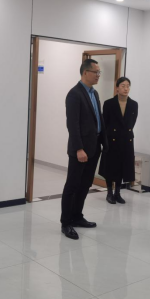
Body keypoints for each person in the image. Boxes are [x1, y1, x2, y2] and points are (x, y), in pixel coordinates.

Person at [61, 59, 108, 240]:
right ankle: (66, 223)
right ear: (85, 72)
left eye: (99, 72)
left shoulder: (94, 93)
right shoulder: (74, 94)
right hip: (80, 150)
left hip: (94, 147)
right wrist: (79, 149)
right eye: (96, 72)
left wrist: (104, 143)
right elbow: (72, 125)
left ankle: (77, 216)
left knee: (85, 184)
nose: (98, 75)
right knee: (72, 185)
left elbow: (98, 120)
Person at [99, 77, 138, 204]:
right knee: (110, 166)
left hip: (126, 140)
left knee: (123, 166)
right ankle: (109, 193)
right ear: (117, 88)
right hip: (112, 139)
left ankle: (118, 193)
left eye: (128, 86)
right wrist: (104, 140)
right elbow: (105, 123)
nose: (126, 88)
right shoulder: (109, 103)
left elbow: (132, 123)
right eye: (123, 86)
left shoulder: (133, 104)